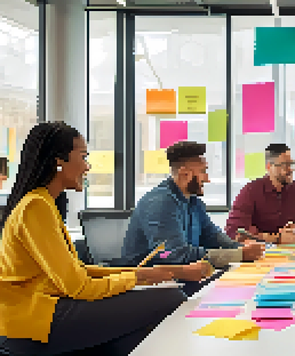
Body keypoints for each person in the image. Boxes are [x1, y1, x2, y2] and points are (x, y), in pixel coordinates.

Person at [0, 122, 209, 356]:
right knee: (170, 297)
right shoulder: (35, 207)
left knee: (134, 336)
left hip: (44, 312)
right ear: (59, 161)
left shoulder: (43, 203)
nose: (87, 166)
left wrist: (147, 274)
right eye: (83, 156)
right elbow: (79, 287)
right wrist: (136, 277)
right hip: (33, 323)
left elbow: (75, 271)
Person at [121, 141, 264, 269]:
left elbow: (214, 238)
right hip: (146, 284)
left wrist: (245, 248)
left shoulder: (194, 203)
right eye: (203, 172)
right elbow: (173, 255)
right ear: (184, 174)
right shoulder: (160, 202)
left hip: (180, 279)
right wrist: (238, 255)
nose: (207, 179)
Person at [226, 143, 295, 244]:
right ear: (269, 166)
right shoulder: (250, 191)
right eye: (285, 165)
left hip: (289, 255)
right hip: (258, 253)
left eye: (291, 164)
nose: (290, 169)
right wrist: (275, 238)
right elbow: (233, 232)